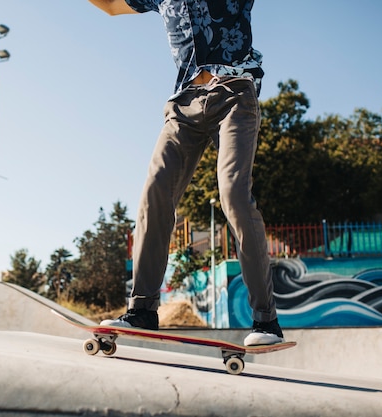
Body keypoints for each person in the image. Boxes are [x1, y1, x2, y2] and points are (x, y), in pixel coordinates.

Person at [90, 0, 284, 346]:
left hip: (234, 93)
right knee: (154, 194)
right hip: (184, 105)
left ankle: (266, 320)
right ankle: (143, 311)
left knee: (234, 195)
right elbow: (109, 5)